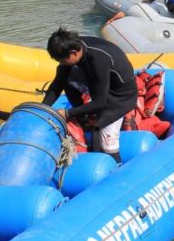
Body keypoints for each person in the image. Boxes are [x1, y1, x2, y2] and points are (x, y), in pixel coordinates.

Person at [43, 28, 137, 163]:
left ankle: (116, 166)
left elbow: (100, 102)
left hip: (120, 95)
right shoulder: (75, 48)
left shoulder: (98, 59)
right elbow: (57, 85)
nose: (61, 63)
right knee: (64, 75)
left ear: (73, 53)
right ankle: (84, 117)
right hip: (98, 83)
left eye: (62, 60)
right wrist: (42, 107)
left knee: (106, 142)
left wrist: (68, 113)